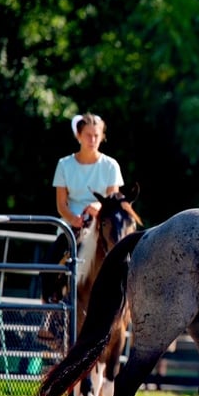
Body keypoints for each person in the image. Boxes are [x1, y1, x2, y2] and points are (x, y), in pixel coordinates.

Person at [40, 113, 124, 319]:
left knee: (124, 261)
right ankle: (49, 313)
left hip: (101, 225)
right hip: (72, 225)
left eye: (96, 135)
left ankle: (124, 310)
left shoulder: (110, 165)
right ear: (79, 136)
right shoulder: (65, 164)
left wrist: (98, 205)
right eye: (88, 135)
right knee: (49, 265)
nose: (92, 140)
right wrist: (72, 218)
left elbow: (113, 199)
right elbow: (61, 204)